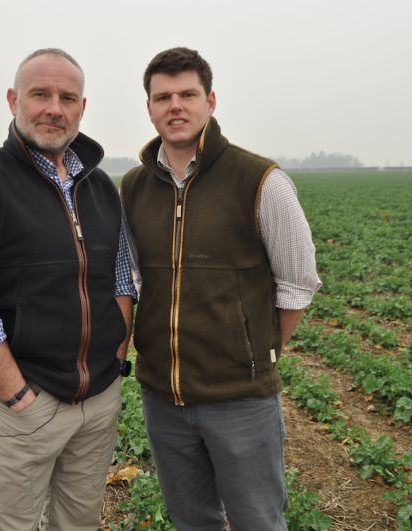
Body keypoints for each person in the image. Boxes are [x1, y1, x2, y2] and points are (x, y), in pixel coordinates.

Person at [120, 47, 321, 531]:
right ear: (148, 107)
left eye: (187, 94)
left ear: (210, 101)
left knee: (258, 521)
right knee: (192, 521)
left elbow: (298, 282)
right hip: (163, 399)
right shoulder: (132, 187)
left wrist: (256, 352)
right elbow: (130, 280)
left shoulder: (260, 181)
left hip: (241, 400)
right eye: (162, 96)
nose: (175, 106)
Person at [0, 48, 136, 531]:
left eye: (67, 97)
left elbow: (121, 279)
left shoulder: (101, 187)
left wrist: (115, 360)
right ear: (13, 100)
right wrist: (18, 397)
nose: (54, 107)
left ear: (82, 108)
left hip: (97, 402)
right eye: (40, 94)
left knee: (80, 521)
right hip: (23, 406)